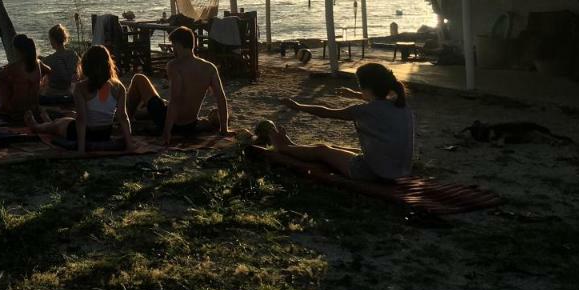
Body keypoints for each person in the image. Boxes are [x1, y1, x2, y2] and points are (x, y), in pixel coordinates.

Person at [264, 62, 414, 181]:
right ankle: (294, 147)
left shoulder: (363, 111)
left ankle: (284, 147)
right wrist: (354, 94)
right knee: (339, 148)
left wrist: (298, 106)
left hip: (372, 173)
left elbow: (326, 112)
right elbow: (378, 102)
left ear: (366, 88)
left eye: (360, 87)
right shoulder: (400, 104)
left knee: (322, 150)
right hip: (400, 170)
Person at [126, 26, 230, 145]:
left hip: (170, 122)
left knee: (139, 79)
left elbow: (175, 100)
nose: (173, 48)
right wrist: (224, 129)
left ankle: (128, 117)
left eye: (174, 45)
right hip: (190, 124)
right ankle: (136, 115)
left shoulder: (175, 66)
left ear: (179, 45)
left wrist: (166, 132)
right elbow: (221, 98)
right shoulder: (210, 67)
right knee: (163, 101)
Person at [31, 45, 131, 153]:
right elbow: (123, 117)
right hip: (104, 134)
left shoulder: (81, 88)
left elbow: (81, 120)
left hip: (85, 133)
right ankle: (48, 121)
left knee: (57, 124)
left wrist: (81, 149)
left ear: (87, 65)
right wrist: (130, 145)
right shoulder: (119, 87)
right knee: (69, 116)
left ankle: (37, 126)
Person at [0, 34, 50, 119]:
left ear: (17, 50)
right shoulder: (38, 63)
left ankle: (4, 107)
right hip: (33, 107)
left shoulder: (13, 67)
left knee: (1, 79)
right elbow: (49, 71)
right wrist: (39, 82)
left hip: (16, 109)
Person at [41, 23, 81, 105]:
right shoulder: (73, 55)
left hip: (52, 96)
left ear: (53, 40)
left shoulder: (48, 60)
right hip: (69, 93)